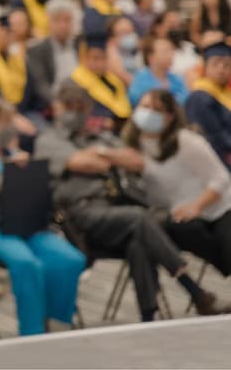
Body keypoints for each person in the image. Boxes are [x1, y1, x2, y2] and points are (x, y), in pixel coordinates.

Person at [36, 83, 230, 320]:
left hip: (115, 211)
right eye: (69, 108)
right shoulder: (48, 140)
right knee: (141, 218)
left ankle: (149, 315)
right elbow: (82, 162)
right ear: (57, 108)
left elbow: (136, 162)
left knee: (139, 241)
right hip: (81, 215)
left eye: (81, 108)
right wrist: (109, 157)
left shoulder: (100, 137)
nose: (75, 114)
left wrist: (103, 154)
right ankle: (195, 291)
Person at [0, 97, 85, 335]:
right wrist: (10, 175)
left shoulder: (14, 151)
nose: (10, 127)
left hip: (26, 223)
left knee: (70, 259)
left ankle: (57, 321)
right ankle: (32, 332)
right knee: (27, 264)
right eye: (4, 122)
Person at [110, 89, 231, 278]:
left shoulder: (186, 140)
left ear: (170, 116)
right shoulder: (131, 146)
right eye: (144, 107)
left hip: (219, 207)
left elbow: (221, 178)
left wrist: (196, 206)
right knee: (178, 228)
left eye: (156, 110)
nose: (148, 113)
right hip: (180, 216)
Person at [68, 29, 131, 127]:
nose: (98, 63)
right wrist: (101, 122)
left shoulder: (113, 82)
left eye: (102, 58)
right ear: (84, 58)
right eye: (94, 58)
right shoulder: (73, 84)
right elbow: (72, 118)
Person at [26, 0, 79, 113]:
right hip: (52, 103)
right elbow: (40, 84)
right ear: (49, 22)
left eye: (67, 20)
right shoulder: (37, 50)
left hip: (79, 99)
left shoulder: (80, 45)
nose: (62, 26)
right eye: (57, 20)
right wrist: (55, 101)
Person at [185, 42, 231, 171]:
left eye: (227, 65)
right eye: (215, 64)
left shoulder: (226, 93)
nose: (221, 69)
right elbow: (214, 137)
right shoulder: (200, 97)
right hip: (217, 162)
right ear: (205, 67)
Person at [128, 37, 188, 108]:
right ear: (150, 57)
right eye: (165, 51)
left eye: (171, 51)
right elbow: (135, 98)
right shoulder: (140, 79)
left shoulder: (177, 79)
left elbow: (186, 100)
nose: (171, 55)